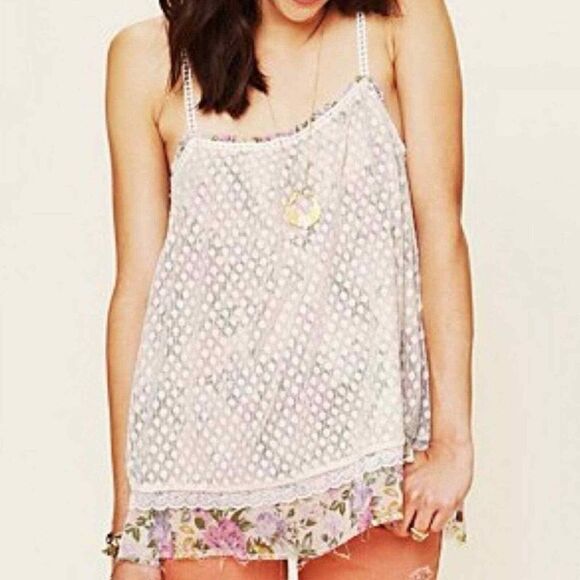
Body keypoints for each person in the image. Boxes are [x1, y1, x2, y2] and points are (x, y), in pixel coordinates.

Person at [103, 1, 474, 578]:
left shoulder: (401, 20)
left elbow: (440, 232)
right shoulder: (147, 61)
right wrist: (132, 529)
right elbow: (139, 295)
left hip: (374, 443)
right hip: (205, 460)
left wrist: (452, 444)